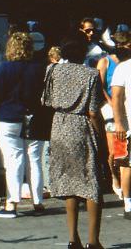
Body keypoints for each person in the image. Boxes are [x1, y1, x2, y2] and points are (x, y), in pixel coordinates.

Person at [43, 34, 106, 248]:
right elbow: (93, 112)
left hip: (59, 126)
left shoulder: (52, 70)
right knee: (91, 183)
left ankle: (72, 239)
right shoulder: (91, 74)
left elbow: (47, 100)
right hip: (82, 127)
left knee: (70, 184)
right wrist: (101, 138)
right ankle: (93, 241)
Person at [0, 32, 45, 219]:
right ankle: (38, 202)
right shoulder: (39, 68)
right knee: (34, 160)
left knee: (14, 160)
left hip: (7, 118)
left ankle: (12, 204)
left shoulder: (4, 68)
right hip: (34, 118)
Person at [97, 30, 129, 199]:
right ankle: (114, 178)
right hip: (110, 108)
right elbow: (100, 86)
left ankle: (124, 182)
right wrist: (110, 101)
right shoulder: (105, 62)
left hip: (127, 106)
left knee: (124, 149)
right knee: (115, 149)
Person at [111, 35, 131, 220]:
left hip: (123, 125)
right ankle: (128, 204)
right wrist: (118, 123)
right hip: (125, 126)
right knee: (125, 165)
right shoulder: (123, 68)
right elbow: (116, 96)